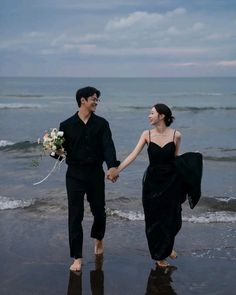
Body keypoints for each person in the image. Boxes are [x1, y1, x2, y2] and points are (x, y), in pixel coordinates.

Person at [107, 103, 202, 267]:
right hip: (152, 182)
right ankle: (159, 256)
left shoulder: (176, 135)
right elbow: (133, 155)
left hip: (171, 182)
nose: (149, 116)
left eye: (152, 113)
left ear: (162, 116)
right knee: (153, 219)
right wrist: (117, 170)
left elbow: (177, 157)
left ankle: (167, 246)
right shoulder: (147, 134)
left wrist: (193, 162)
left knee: (173, 218)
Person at [58, 86, 119, 272]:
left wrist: (112, 166)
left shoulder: (102, 124)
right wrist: (54, 150)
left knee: (99, 211)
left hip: (95, 173)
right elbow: (60, 153)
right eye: (93, 99)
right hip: (74, 175)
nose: (96, 102)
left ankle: (98, 238)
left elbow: (108, 146)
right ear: (82, 100)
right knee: (75, 215)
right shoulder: (66, 125)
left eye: (97, 99)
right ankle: (77, 257)